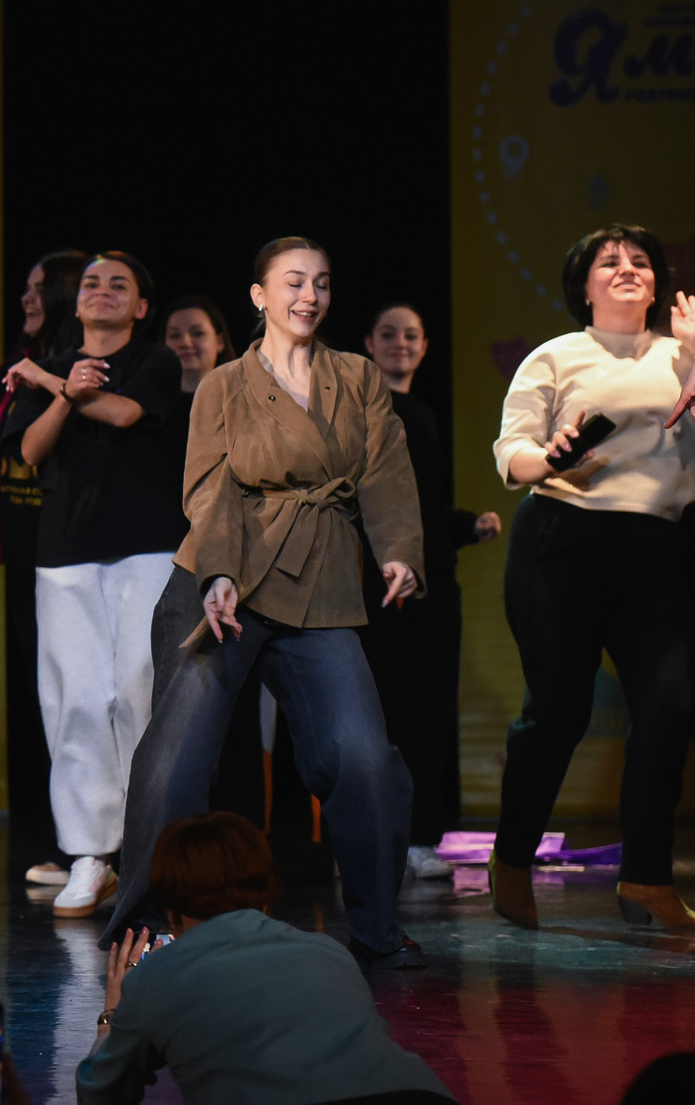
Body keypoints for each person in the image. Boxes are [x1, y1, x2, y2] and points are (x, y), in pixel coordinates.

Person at [102, 238, 427, 970]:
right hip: (226, 577)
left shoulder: (356, 377)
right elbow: (210, 487)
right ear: (259, 295)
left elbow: (385, 470)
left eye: (321, 283)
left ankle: (376, 927)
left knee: (364, 759)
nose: (309, 296)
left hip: (322, 579)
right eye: (293, 282)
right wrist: (218, 573)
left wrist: (398, 548)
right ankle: (146, 922)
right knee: (177, 757)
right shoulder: (224, 384)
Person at [490, 224, 695, 930]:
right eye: (609, 262)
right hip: (565, 539)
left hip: (661, 548)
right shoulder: (556, 355)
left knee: (670, 706)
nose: (628, 269)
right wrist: (550, 458)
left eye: (640, 261)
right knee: (558, 712)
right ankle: (512, 858)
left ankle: (646, 879)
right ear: (583, 287)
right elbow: (512, 452)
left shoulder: (683, 353)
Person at [0, 252, 186, 918]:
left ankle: (147, 848)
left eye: (118, 285)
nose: (101, 292)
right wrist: (60, 388)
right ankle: (89, 854)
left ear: (141, 307)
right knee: (76, 700)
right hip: (65, 553)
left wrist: (52, 381)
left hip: (147, 548)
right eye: (91, 284)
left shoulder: (154, 361)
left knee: (139, 690)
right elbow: (29, 450)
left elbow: (127, 414)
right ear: (76, 302)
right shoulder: (50, 367)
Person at [76, 812, 454, 1104]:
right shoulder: (330, 952)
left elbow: (102, 1095)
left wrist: (111, 1018)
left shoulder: (157, 977)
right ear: (266, 894)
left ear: (170, 911)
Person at [0, 250, 86, 888]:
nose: (27, 299)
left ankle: (94, 846)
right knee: (48, 700)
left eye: (41, 290)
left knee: (83, 698)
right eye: (27, 289)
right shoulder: (12, 371)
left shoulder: (86, 372)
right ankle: (68, 841)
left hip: (77, 549)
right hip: (25, 550)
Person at [360, 303, 500, 881]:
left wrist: (464, 526)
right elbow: (377, 500)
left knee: (427, 715)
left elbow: (422, 504)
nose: (400, 342)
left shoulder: (419, 412)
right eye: (388, 333)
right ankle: (372, 841)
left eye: (411, 334)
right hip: (381, 584)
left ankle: (417, 838)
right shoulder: (364, 410)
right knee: (381, 715)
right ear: (368, 344)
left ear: (424, 347)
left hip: (431, 584)